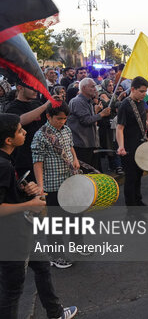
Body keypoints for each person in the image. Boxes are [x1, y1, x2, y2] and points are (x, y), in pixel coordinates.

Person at [0, 113, 78, 319]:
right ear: (8, 140)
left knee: (42, 266)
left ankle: (55, 312)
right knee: (11, 292)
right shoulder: (3, 165)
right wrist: (30, 203)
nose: (24, 131)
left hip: (22, 231)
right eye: (19, 130)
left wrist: (23, 190)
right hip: (10, 239)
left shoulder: (7, 160)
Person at [31, 102, 80, 268]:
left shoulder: (66, 129)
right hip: (53, 184)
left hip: (70, 180)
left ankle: (77, 246)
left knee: (76, 216)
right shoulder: (40, 135)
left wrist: (76, 159)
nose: (63, 122)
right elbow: (37, 161)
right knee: (55, 223)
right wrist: (40, 187)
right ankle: (56, 255)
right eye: (59, 119)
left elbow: (70, 146)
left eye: (65, 118)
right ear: (48, 117)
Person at [6, 82, 59, 181]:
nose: (36, 91)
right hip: (24, 159)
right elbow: (19, 120)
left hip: (43, 156)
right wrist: (44, 106)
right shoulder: (12, 107)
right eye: (32, 88)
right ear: (20, 88)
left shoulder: (36, 104)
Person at [116, 76, 148, 207]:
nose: (144, 94)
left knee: (138, 175)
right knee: (131, 178)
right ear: (133, 89)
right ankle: (131, 207)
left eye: (145, 91)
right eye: (142, 91)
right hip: (129, 147)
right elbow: (119, 127)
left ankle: (138, 201)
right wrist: (121, 146)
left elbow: (141, 119)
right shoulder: (125, 105)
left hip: (140, 144)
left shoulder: (140, 102)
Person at [67, 78, 111, 171]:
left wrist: (97, 113)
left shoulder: (88, 101)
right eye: (92, 86)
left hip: (90, 144)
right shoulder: (78, 101)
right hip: (82, 145)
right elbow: (86, 120)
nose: (95, 89)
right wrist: (101, 114)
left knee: (93, 174)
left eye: (95, 86)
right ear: (83, 88)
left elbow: (91, 121)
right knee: (85, 174)